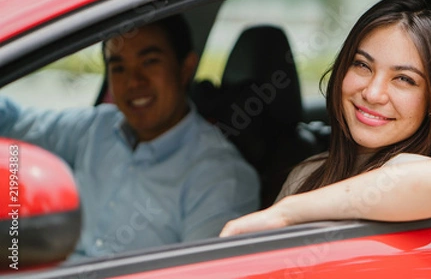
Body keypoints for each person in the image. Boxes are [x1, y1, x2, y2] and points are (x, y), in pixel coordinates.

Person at [0, 15, 260, 258]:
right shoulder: (95, 129)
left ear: (185, 68)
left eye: (149, 62)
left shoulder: (221, 177)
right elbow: (13, 123)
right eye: (119, 67)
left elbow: (207, 272)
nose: (134, 82)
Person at [219, 0, 431, 237]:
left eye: (404, 79)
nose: (373, 93)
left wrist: (287, 212)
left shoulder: (426, 174)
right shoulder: (308, 174)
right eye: (362, 65)